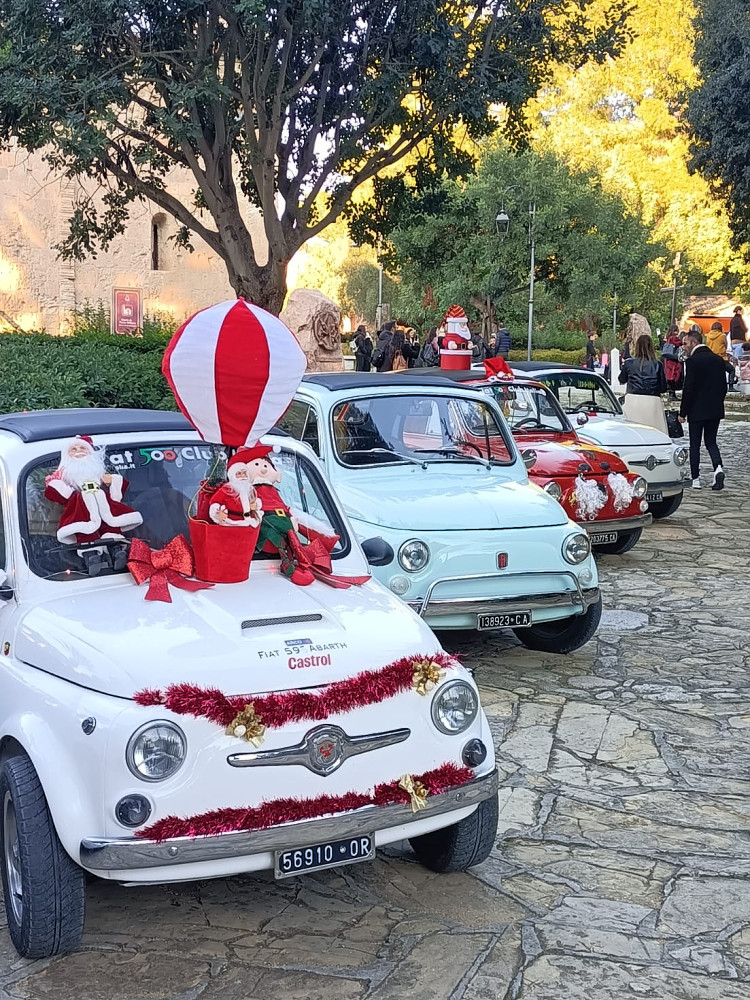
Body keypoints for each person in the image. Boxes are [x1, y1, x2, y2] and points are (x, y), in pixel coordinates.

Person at [678, 328, 727, 490]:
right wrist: (718, 402)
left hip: (696, 410)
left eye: (685, 343)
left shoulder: (692, 361)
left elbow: (689, 388)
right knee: (711, 442)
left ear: (694, 342)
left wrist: (683, 412)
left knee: (695, 444)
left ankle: (696, 479)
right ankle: (718, 468)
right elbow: (723, 387)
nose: (683, 347)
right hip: (714, 409)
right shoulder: (718, 360)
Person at [618, 333, 668, 433]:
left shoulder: (629, 363)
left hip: (633, 401)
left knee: (632, 432)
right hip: (652, 402)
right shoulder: (658, 364)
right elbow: (663, 387)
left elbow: (621, 380)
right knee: (656, 433)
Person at [661, 324, 684, 399]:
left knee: (670, 377)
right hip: (673, 361)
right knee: (674, 377)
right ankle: (672, 394)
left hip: (668, 360)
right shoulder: (674, 338)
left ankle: (671, 393)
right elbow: (679, 343)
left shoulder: (668, 338)